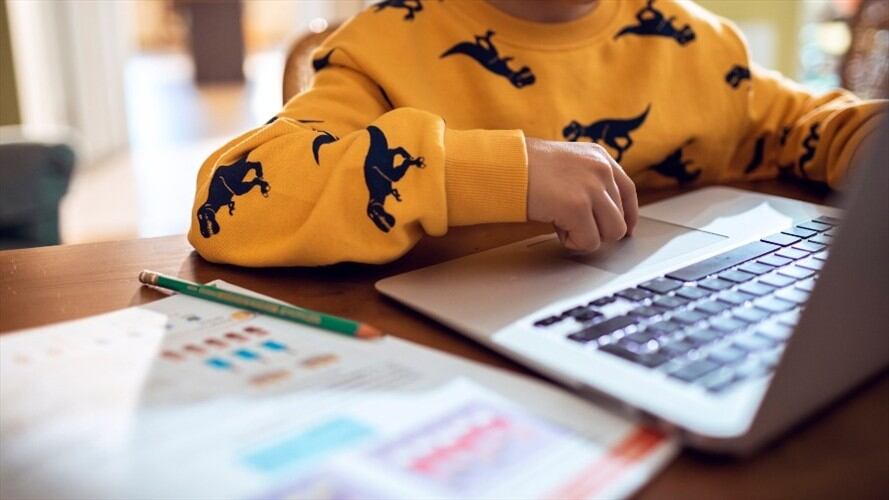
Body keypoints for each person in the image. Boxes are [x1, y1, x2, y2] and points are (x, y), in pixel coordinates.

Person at [188, 0, 886, 267]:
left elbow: (814, 124)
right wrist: (501, 173)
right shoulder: (385, 47)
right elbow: (236, 199)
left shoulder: (695, 48)